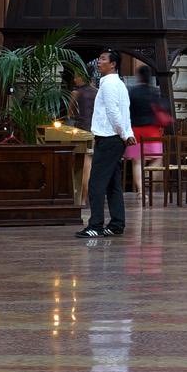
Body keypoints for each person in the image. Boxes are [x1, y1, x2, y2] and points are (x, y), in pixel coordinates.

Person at [77, 48, 133, 238]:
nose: (98, 62)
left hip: (109, 138)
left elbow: (113, 112)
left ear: (113, 64)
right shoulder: (119, 84)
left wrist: (124, 133)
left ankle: (95, 225)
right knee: (112, 183)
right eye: (99, 59)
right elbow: (126, 111)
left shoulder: (109, 85)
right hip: (116, 138)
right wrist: (127, 133)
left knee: (96, 183)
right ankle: (116, 224)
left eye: (102, 59)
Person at [125, 66, 166, 201]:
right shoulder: (154, 92)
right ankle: (148, 177)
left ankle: (141, 192)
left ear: (139, 76)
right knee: (157, 160)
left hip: (135, 130)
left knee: (137, 162)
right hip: (152, 131)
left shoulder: (132, 91)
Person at [68, 64, 98, 207]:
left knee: (85, 167)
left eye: (76, 76)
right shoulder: (98, 92)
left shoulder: (76, 93)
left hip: (82, 133)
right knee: (93, 166)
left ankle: (82, 199)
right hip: (98, 133)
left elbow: (69, 113)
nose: (74, 79)